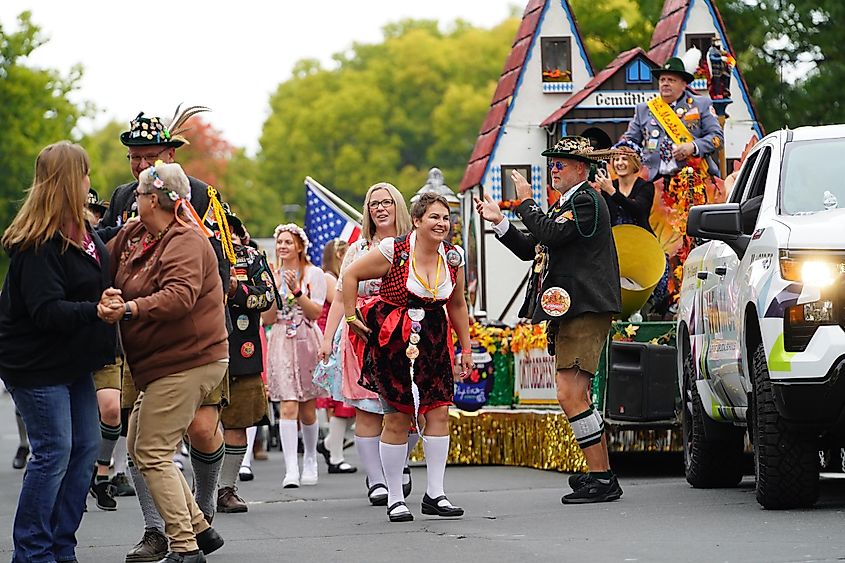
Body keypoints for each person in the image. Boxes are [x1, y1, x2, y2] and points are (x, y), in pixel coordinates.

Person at [102, 108, 232, 561]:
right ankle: (197, 526)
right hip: (153, 355)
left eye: (148, 160)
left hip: (191, 354)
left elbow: (181, 295)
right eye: (134, 159)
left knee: (161, 446)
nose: (138, 170)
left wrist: (130, 307)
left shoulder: (189, 232)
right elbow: (98, 254)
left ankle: (185, 542)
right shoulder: (135, 226)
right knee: (141, 442)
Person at [475, 136, 624, 504]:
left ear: (580, 168)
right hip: (575, 307)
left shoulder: (587, 199)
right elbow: (534, 248)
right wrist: (501, 223)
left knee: (569, 392)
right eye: (552, 163)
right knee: (577, 393)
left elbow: (550, 234)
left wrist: (525, 201)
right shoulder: (570, 203)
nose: (552, 169)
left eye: (559, 163)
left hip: (584, 306)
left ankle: (602, 477)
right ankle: (601, 474)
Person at [0, 141, 117, 562]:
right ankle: (32, 552)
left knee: (86, 448)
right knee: (53, 452)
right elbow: (46, 310)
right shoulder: (38, 242)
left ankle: (60, 545)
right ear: (70, 180)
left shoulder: (82, 232)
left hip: (72, 361)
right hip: (35, 363)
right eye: (84, 173)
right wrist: (97, 311)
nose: (90, 181)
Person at [342, 192, 473, 523]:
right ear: (417, 221)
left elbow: (457, 304)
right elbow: (350, 276)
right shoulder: (394, 250)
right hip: (393, 339)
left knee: (439, 412)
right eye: (434, 217)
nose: (442, 223)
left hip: (432, 339)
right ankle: (395, 497)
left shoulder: (453, 258)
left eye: (445, 218)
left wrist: (466, 346)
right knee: (397, 418)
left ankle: (435, 493)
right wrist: (350, 316)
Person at [317, 183, 416, 506]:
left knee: (410, 408)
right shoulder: (357, 250)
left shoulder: (412, 245)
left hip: (404, 334)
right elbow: (342, 297)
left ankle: (398, 465)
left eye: (387, 202)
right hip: (363, 334)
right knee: (367, 409)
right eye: (374, 203)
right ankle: (376, 480)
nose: (380, 208)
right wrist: (327, 338)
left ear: (397, 206)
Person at [216, 205, 275, 514]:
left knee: (237, 422)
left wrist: (236, 289)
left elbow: (267, 297)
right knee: (200, 425)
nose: (218, 230)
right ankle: (203, 490)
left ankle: (226, 489)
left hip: (241, 353)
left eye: (224, 225)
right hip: (197, 352)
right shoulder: (187, 251)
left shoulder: (251, 257)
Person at [261, 224, 327, 488]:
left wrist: (297, 291)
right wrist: (272, 292)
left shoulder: (314, 274)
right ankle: (291, 468)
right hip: (280, 338)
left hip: (306, 339)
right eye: (279, 242)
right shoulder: (272, 275)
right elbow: (266, 318)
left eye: (288, 242)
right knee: (287, 405)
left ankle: (310, 457)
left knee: (308, 407)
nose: (282, 247)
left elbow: (315, 313)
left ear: (299, 245)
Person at [622, 55, 724, 182]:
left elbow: (717, 138)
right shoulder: (644, 109)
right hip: (653, 180)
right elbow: (629, 142)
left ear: (684, 84)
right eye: (662, 80)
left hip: (693, 179)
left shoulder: (701, 104)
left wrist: (693, 147)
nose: (665, 83)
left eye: (671, 80)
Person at [314, 238, 358, 475]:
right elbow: (342, 302)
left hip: (346, 338)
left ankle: (330, 444)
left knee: (353, 402)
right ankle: (335, 453)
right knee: (341, 401)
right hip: (337, 339)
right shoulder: (331, 279)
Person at [591, 140, 655, 232]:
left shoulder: (646, 186)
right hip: (616, 238)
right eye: (616, 159)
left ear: (634, 163)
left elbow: (639, 210)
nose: (620, 163)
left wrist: (612, 192)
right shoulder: (608, 186)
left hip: (641, 239)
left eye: (624, 159)